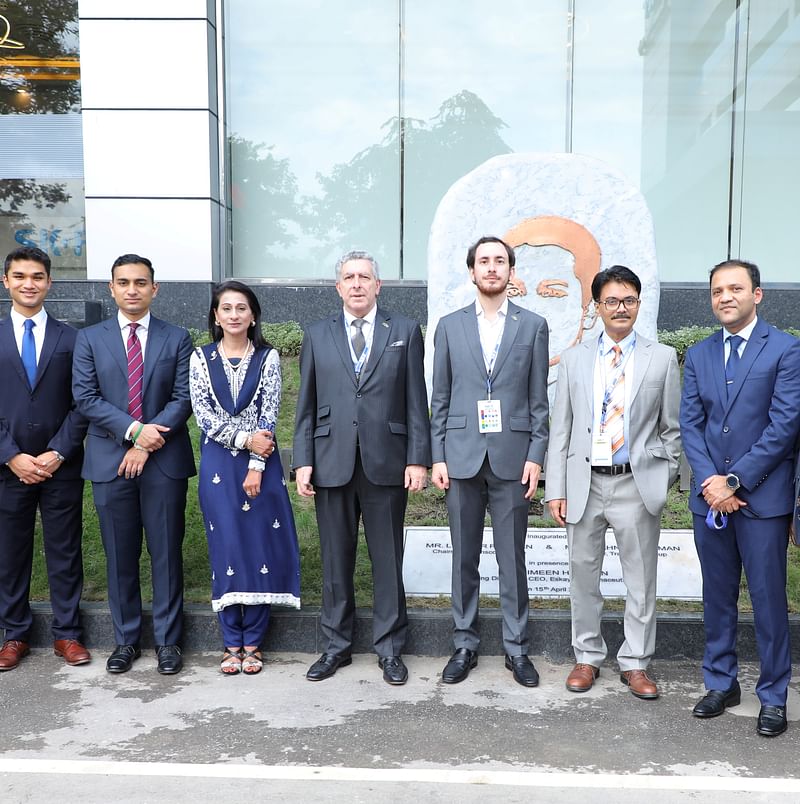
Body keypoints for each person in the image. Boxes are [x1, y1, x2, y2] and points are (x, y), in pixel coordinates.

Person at [293, 250, 430, 685]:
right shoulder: (317, 334)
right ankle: (336, 646)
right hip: (332, 462)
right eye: (348, 277)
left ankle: (390, 648)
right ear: (338, 287)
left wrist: (417, 457)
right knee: (336, 561)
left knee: (387, 560)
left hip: (386, 463)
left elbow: (415, 401)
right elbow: (307, 406)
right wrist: (303, 461)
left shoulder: (404, 331)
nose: (356, 284)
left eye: (364, 277)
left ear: (378, 285)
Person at [545, 265, 681, 699]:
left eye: (628, 300)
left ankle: (636, 662)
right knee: (582, 576)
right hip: (586, 484)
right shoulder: (574, 359)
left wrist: (663, 473)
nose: (620, 308)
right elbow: (560, 429)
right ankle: (586, 657)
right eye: (611, 301)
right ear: (597, 307)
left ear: (638, 304)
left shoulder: (661, 357)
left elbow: (672, 429)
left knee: (640, 579)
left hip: (635, 485)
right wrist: (556, 488)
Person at [680, 259, 800, 738]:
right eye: (716, 291)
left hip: (762, 501)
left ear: (757, 294)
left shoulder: (786, 350)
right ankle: (721, 682)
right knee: (718, 597)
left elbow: (785, 425)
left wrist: (735, 481)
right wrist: (712, 482)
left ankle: (773, 695)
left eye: (735, 288)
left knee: (769, 601)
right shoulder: (700, 353)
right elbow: (691, 424)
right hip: (709, 499)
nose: (725, 297)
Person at [430, 236, 549, 687]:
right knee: (464, 556)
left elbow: (540, 401)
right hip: (460, 458)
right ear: (472, 271)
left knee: (511, 558)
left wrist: (536, 455)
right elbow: (439, 397)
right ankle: (464, 644)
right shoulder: (449, 326)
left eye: (501, 261)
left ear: (511, 271)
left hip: (512, 459)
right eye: (484, 261)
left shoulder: (532, 325)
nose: (492, 268)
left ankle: (517, 649)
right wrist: (437, 455)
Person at [72, 254, 195, 675]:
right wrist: (132, 433)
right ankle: (125, 640)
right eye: (123, 282)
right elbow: (86, 398)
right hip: (109, 461)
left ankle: (168, 642)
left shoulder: (177, 338)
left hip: (162, 463)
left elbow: (183, 398)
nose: (132, 290)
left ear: (154, 289)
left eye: (141, 282)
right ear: (111, 288)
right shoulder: (89, 339)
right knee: (119, 556)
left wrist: (147, 442)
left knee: (165, 554)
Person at [190, 281, 301, 675]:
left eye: (242, 308)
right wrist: (243, 439)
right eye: (226, 308)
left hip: (262, 466)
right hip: (219, 465)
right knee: (227, 548)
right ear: (216, 317)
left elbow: (269, 412)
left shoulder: (267, 358)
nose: (234, 314)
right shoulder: (200, 359)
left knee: (258, 548)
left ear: (253, 315)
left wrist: (256, 462)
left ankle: (252, 641)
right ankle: (229, 641)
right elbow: (203, 416)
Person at [0, 247, 89, 671]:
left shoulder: (72, 339)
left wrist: (58, 452)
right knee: (9, 553)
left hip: (61, 466)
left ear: (50, 283)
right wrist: (11, 456)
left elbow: (83, 403)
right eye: (20, 276)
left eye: (37, 276)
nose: (29, 283)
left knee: (65, 551)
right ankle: (14, 634)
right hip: (8, 469)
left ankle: (68, 634)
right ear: (6, 282)